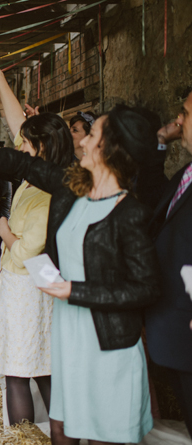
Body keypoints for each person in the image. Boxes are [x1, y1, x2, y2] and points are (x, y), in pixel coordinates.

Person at [0, 103, 160, 444]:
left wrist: (75, 290)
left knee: (102, 436)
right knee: (60, 429)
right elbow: (25, 163)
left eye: (93, 136)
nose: (82, 142)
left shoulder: (129, 213)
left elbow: (146, 288)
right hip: (68, 333)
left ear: (108, 149)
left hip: (107, 342)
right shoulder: (71, 187)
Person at [0, 45, 75, 428]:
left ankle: (24, 438)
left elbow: (32, 248)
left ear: (42, 148)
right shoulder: (43, 174)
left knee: (19, 371)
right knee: (43, 368)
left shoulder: (51, 186)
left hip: (27, 288)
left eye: (26, 147)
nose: (19, 151)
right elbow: (19, 128)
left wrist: (4, 234)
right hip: (27, 285)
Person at [146, 89, 192, 437]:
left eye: (186, 114)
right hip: (173, 325)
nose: (179, 121)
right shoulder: (186, 173)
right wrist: (161, 139)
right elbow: (151, 193)